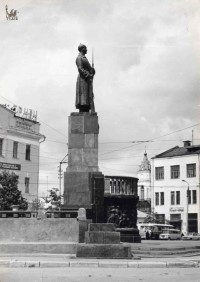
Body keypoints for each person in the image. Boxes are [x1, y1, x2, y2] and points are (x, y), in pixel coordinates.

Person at [75, 44, 95, 113]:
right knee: (83, 97)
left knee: (87, 97)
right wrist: (88, 75)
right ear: (82, 49)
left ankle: (86, 110)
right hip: (83, 79)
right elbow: (80, 69)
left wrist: (92, 70)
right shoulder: (79, 58)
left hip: (87, 80)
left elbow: (89, 68)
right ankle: (83, 109)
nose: (86, 49)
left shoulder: (84, 58)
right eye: (85, 48)